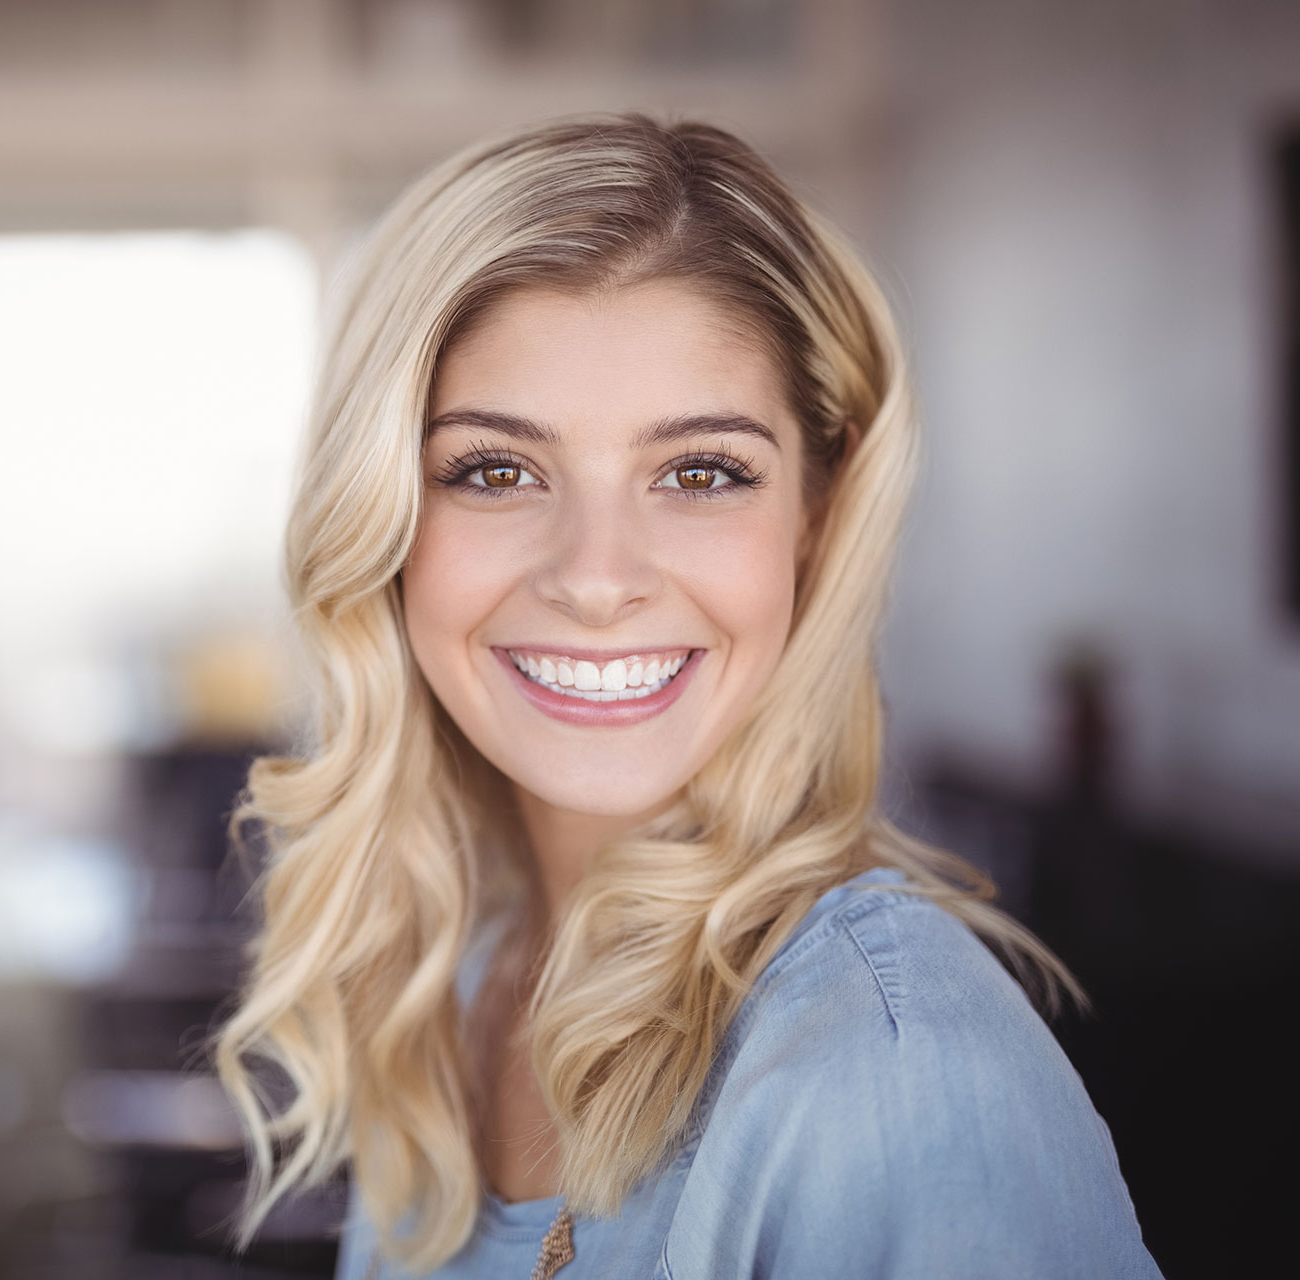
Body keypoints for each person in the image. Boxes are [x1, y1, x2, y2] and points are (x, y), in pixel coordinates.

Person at [212, 112, 1162, 1279]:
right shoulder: (463, 978)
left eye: (700, 472)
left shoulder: (895, 1071)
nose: (598, 577)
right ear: (385, 518)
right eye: (497, 470)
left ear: (816, 510)